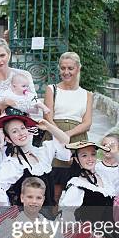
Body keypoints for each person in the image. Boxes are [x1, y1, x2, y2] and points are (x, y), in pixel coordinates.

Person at [0, 111, 70, 229]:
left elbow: (65, 140)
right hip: (24, 222)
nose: (21, 133)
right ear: (8, 139)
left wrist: (48, 126)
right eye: (14, 131)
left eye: (22, 128)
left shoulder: (43, 152)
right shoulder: (13, 164)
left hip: (47, 218)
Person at [43, 52, 93, 206]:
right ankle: (51, 219)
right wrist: (59, 136)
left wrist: (67, 135)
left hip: (77, 140)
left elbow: (87, 123)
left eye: (70, 68)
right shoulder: (52, 89)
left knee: (75, 186)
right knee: (55, 187)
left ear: (78, 68)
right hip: (54, 138)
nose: (66, 72)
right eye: (63, 68)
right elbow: (48, 117)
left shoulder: (87, 94)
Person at [0, 39, 36, 153]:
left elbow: (33, 106)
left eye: (2, 55)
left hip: (21, 133)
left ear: (9, 54)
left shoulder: (24, 75)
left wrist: (9, 103)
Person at [0, 73, 44, 149]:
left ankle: (29, 144)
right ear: (14, 86)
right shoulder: (8, 93)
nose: (26, 88)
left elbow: (34, 103)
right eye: (23, 86)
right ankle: (2, 142)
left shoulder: (28, 96)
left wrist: (40, 107)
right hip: (9, 114)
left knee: (28, 128)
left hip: (22, 116)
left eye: (27, 86)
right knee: (0, 127)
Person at [95, 133, 119, 223]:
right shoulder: (97, 166)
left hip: (117, 203)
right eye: (104, 145)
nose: (107, 148)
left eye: (111, 146)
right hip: (100, 201)